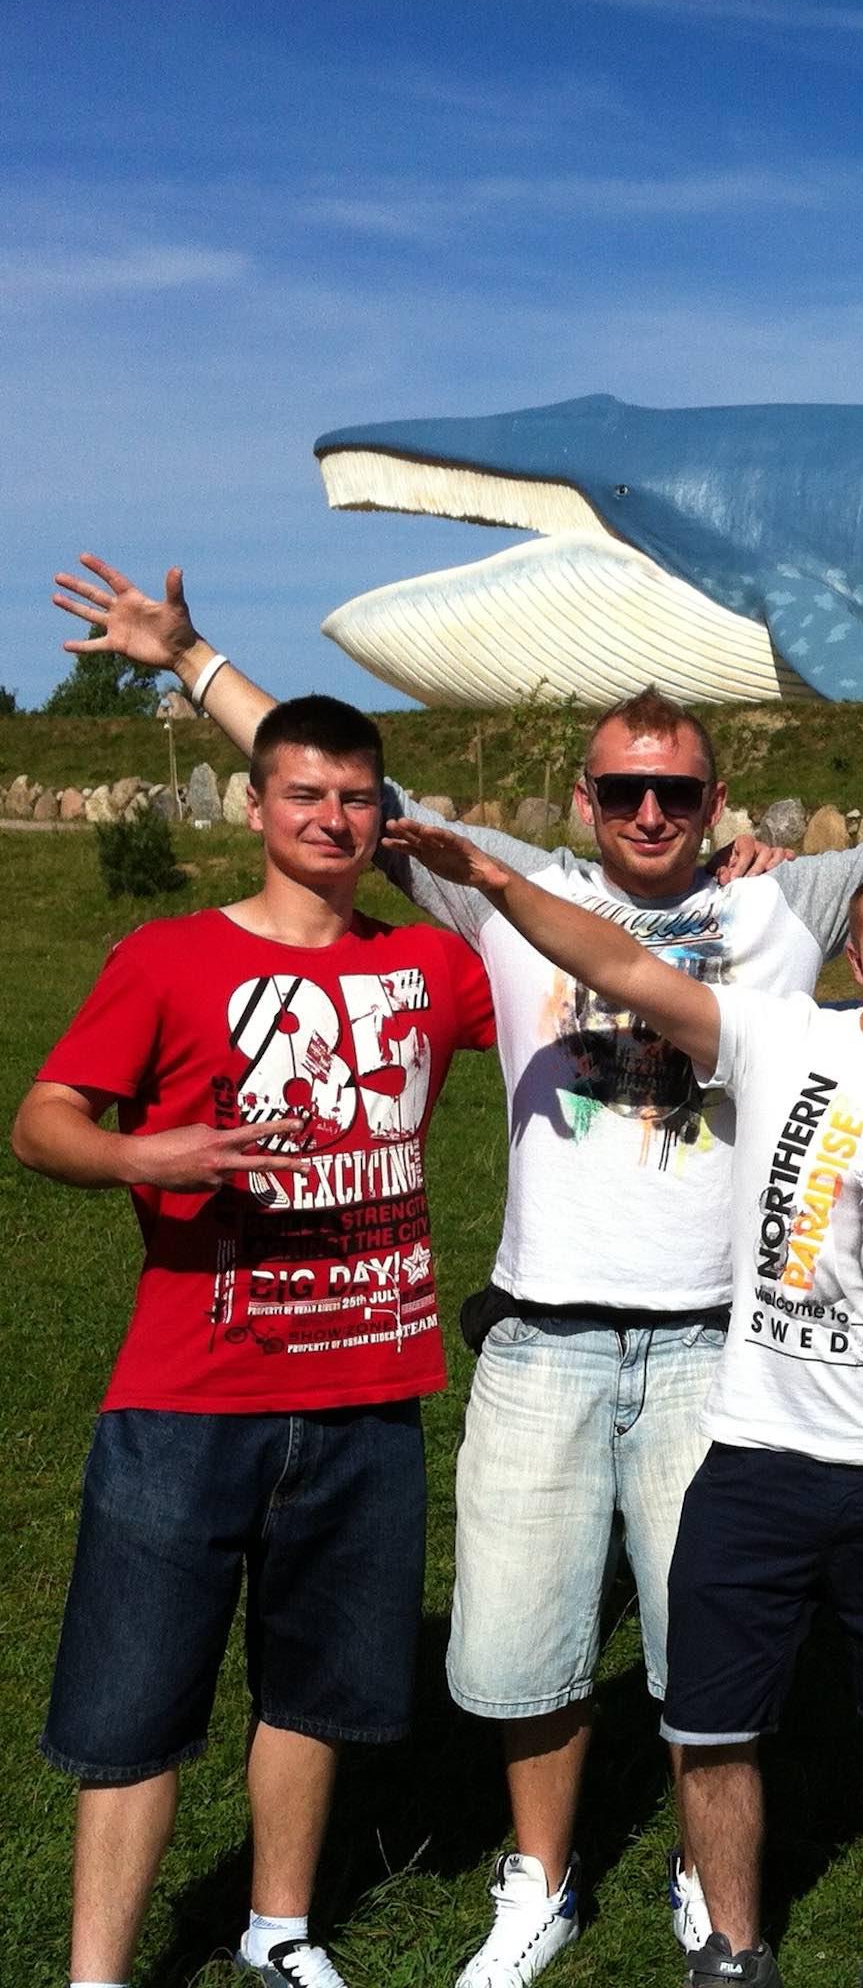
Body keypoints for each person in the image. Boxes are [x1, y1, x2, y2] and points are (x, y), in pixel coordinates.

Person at [51, 560, 863, 1984]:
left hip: (717, 1343)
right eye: (622, 790)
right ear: (585, 797)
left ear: (716, 802)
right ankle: (539, 1881)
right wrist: (189, 657)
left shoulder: (794, 901)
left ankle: (698, 1877)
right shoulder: (507, 885)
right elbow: (338, 790)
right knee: (520, 1647)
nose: (649, 813)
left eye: (675, 792)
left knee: (701, 1654)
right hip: (542, 1332)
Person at [373, 826, 863, 1988]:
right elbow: (621, 966)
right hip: (755, 1450)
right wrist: (497, 882)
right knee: (711, 1718)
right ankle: (732, 1948)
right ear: (858, 960)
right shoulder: (783, 1035)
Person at [12, 696, 499, 1988]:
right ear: (254, 805)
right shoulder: (169, 957)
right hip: (189, 1396)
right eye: (304, 793)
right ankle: (97, 1974)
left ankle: (279, 1930)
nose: (331, 818)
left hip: (369, 1393)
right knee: (131, 1707)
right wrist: (145, 1154)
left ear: (385, 815)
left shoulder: (431, 966)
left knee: (314, 1690)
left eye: (356, 797)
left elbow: (574, 973)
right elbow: (41, 1120)